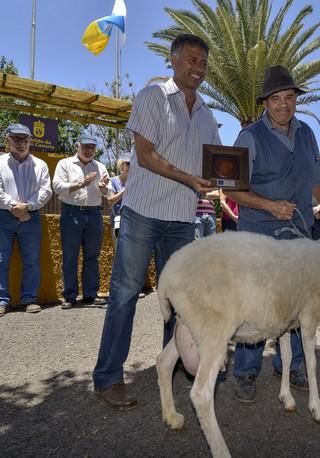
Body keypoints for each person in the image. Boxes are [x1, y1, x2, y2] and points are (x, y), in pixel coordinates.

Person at [92, 33, 220, 410]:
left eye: (203, 63)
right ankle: (108, 377)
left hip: (182, 219)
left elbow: (217, 161)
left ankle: (173, 365)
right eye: (192, 60)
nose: (198, 68)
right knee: (124, 296)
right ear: (174, 60)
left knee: (177, 302)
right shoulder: (152, 97)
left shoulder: (208, 114)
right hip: (142, 213)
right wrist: (191, 179)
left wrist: (226, 179)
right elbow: (145, 156)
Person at [226, 65, 320, 403]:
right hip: (259, 233)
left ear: (296, 101)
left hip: (300, 232)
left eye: (289, 97)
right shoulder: (249, 137)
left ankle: (293, 365)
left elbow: (316, 179)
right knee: (255, 304)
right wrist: (269, 206)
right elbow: (232, 190)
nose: (284, 104)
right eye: (276, 98)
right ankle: (245, 371)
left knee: (298, 300)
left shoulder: (306, 134)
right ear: (265, 103)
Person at [0, 123, 52, 318]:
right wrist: (14, 206)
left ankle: (29, 299)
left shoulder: (40, 165)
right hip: (1, 217)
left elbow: (45, 191)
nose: (21, 143)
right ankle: (0, 302)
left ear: (30, 141)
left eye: (25, 139)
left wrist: (27, 206)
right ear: (8, 140)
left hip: (30, 217)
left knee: (31, 260)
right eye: (16, 139)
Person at [52, 133, 110, 309]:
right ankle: (69, 295)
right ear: (77, 146)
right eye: (85, 146)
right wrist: (80, 184)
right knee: (70, 255)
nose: (88, 150)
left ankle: (90, 294)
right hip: (72, 213)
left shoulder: (101, 167)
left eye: (92, 147)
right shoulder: (65, 164)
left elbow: (107, 192)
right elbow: (57, 186)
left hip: (94, 214)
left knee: (92, 256)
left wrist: (103, 188)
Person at [105, 151, 131, 244]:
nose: (130, 166)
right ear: (122, 165)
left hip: (135, 224)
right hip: (119, 223)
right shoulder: (113, 181)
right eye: (128, 163)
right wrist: (126, 189)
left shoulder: (138, 183)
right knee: (119, 255)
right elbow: (110, 202)